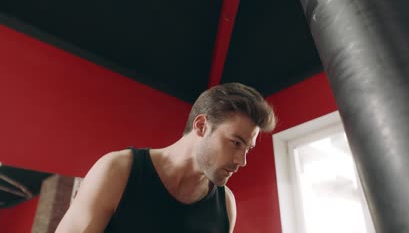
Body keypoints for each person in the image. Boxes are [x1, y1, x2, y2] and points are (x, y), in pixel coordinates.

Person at [55, 82, 277, 233]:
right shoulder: (118, 171)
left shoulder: (226, 206)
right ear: (201, 126)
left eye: (247, 148)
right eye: (236, 143)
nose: (242, 160)